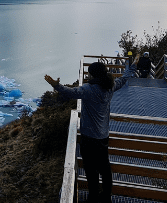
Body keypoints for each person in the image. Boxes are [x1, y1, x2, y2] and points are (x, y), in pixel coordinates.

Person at [44, 55, 138, 203]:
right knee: (105, 168)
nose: (88, 75)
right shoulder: (110, 86)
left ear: (93, 74)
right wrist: (133, 66)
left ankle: (93, 197)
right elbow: (124, 78)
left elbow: (71, 93)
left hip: (88, 137)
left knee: (91, 169)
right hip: (103, 135)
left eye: (89, 73)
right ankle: (106, 197)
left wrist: (56, 86)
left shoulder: (88, 89)